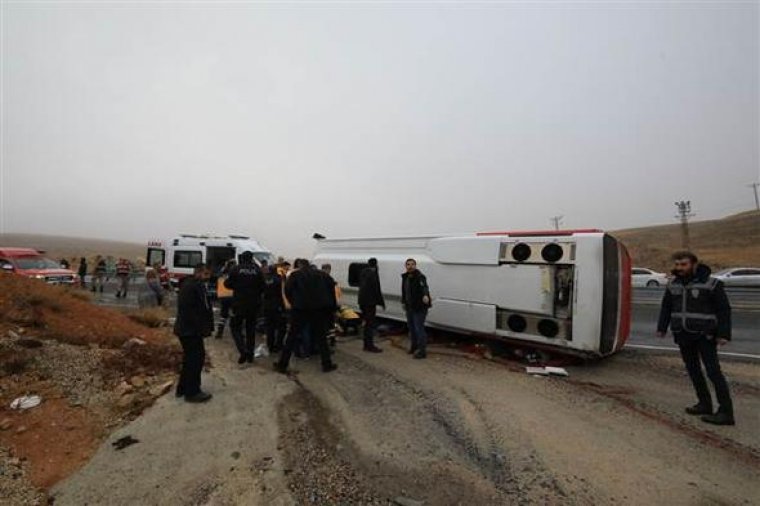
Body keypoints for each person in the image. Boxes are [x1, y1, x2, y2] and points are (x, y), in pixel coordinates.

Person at [657, 251, 734, 425]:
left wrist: (723, 334)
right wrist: (662, 327)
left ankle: (726, 412)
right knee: (693, 371)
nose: (679, 268)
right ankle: (704, 404)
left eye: (683, 264)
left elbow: (724, 310)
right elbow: (666, 307)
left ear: (694, 264)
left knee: (714, 373)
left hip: (705, 335)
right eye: (677, 265)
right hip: (683, 334)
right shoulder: (673, 284)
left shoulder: (712, 284)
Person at [274, 261, 338, 374]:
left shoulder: (295, 275)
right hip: (318, 309)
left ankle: (282, 364)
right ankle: (326, 364)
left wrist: (294, 303)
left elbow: (287, 290)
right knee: (321, 337)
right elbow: (331, 289)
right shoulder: (322, 275)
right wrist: (330, 308)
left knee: (292, 337)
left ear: (300, 266)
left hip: (301, 309)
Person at [173, 264, 214, 403]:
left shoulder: (194, 285)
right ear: (198, 273)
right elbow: (190, 311)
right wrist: (200, 327)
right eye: (206, 274)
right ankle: (192, 392)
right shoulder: (191, 287)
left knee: (190, 359)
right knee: (196, 359)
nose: (208, 278)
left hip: (189, 329)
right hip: (190, 330)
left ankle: (183, 387)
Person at [224, 251, 264, 364]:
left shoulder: (236, 269)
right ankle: (250, 355)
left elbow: (227, 284)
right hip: (254, 305)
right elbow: (263, 286)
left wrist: (237, 286)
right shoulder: (257, 270)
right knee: (250, 330)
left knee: (235, 327)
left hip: (239, 304)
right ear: (251, 258)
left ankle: (243, 350)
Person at [401, 258, 432, 359]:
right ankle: (414, 347)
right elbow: (404, 292)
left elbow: (424, 287)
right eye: (408, 264)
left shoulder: (420, 277)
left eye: (412, 264)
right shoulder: (405, 277)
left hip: (419, 307)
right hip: (409, 307)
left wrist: (425, 295)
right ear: (406, 266)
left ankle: (422, 351)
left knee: (419, 328)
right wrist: (404, 302)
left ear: (415, 266)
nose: (410, 266)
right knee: (411, 328)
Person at [358, 258, 385, 353]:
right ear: (376, 265)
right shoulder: (372, 274)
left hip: (363, 302)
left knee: (366, 324)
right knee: (370, 325)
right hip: (370, 303)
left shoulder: (363, 273)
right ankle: (370, 346)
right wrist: (381, 302)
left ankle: (366, 345)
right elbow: (376, 289)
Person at [262, 263, 286, 353]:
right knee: (281, 327)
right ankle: (278, 345)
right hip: (277, 306)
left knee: (270, 327)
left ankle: (270, 345)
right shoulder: (279, 280)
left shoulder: (265, 279)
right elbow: (282, 294)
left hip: (267, 306)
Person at [215, 259, 235, 339]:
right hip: (231, 296)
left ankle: (219, 333)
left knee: (223, 316)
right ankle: (236, 332)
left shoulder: (222, 273)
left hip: (223, 297)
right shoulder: (233, 273)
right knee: (234, 314)